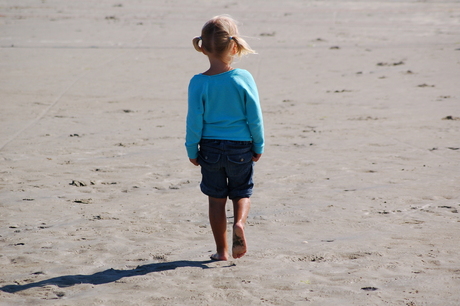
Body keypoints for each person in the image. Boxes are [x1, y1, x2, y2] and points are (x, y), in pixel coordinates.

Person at [185, 15, 264, 261]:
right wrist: (258, 144)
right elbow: (255, 116)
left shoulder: (198, 82)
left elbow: (194, 120)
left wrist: (191, 149)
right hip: (241, 147)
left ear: (203, 48)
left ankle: (222, 252)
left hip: (209, 148)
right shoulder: (243, 78)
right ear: (234, 45)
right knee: (242, 193)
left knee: (216, 200)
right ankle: (239, 223)